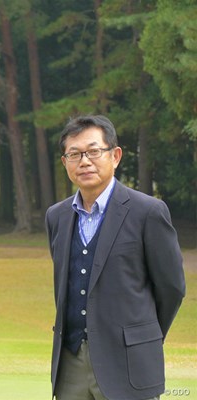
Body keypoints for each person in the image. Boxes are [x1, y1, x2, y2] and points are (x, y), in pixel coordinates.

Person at [45, 114, 185, 400]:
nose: (84, 161)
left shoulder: (148, 212)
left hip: (128, 364)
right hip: (70, 364)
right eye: (74, 154)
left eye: (94, 151)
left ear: (116, 156)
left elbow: (171, 289)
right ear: (65, 163)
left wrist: (140, 337)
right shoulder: (56, 216)